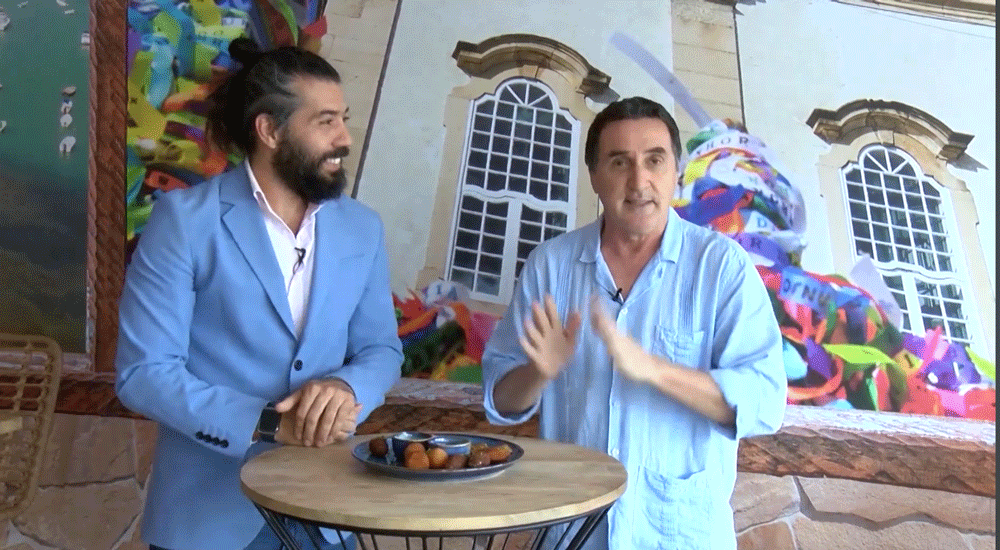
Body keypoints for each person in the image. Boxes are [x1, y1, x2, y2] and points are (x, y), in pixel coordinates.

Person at [115, 38, 402, 550]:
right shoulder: (184, 222)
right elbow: (144, 374)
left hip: (326, 516)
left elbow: (381, 349)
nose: (344, 138)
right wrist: (268, 423)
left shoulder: (363, 228)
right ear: (269, 130)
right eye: (326, 122)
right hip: (207, 522)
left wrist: (346, 386)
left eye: (344, 119)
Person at [482, 97, 787, 550]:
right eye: (619, 162)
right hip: (571, 535)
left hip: (679, 537)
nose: (639, 181)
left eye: (654, 160)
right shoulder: (550, 265)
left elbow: (765, 402)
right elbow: (500, 403)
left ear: (676, 171)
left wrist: (654, 370)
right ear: (594, 176)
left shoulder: (722, 267)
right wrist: (538, 373)